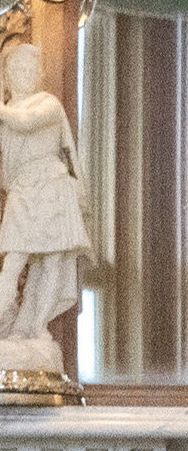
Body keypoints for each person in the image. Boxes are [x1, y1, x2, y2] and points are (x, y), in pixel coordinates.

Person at [0, 43, 91, 357]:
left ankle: (37, 326)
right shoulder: (7, 112)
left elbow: (26, 121)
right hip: (23, 190)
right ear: (8, 77)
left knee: (53, 261)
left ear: (38, 75)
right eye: (16, 71)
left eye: (29, 70)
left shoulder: (48, 103)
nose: (23, 76)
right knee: (13, 261)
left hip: (52, 188)